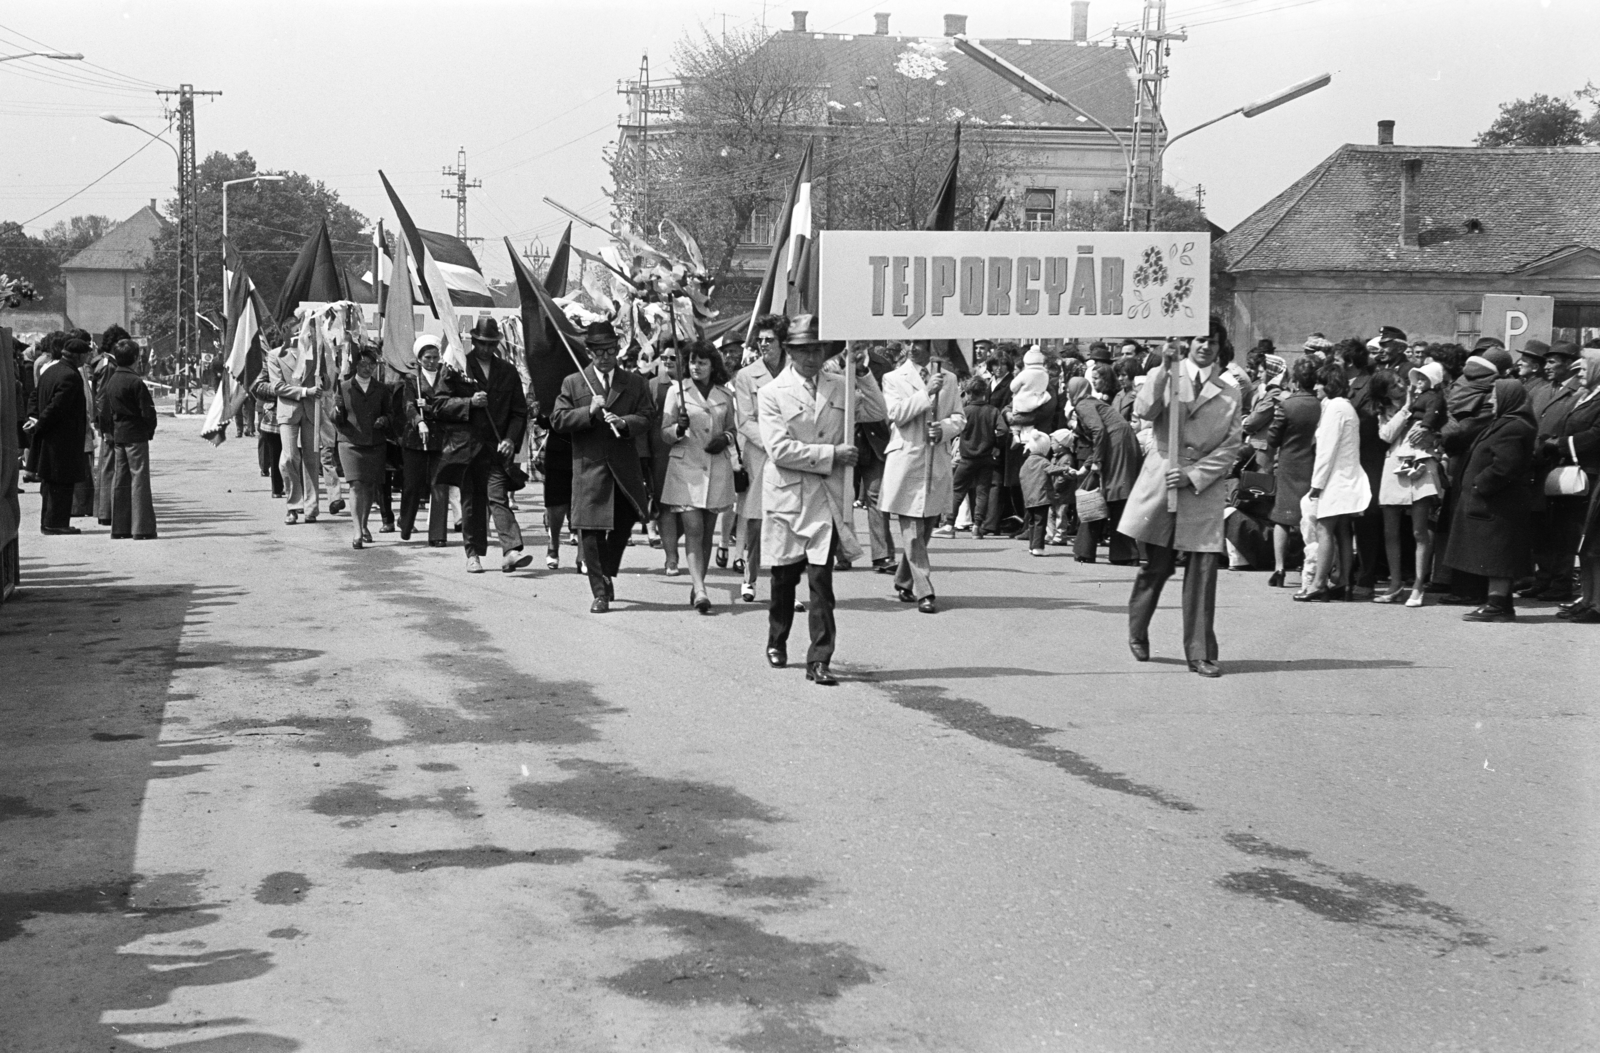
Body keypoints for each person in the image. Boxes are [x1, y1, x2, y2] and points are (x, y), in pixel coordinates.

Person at [757, 316, 881, 685]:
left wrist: (861, 370)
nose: (810, 356)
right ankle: (777, 638)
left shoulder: (840, 385)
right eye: (802, 349)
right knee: (783, 580)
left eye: (816, 349)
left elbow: (876, 411)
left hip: (826, 500)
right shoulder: (772, 393)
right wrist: (831, 455)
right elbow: (779, 449)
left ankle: (820, 658)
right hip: (787, 498)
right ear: (790, 352)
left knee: (821, 582)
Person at [1118, 332, 1244, 678]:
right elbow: (1143, 410)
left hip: (1202, 487)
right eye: (1200, 340)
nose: (1206, 347)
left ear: (1221, 350)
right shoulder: (1168, 376)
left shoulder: (1231, 393)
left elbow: (1231, 448)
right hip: (1162, 480)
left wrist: (1194, 475)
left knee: (1203, 572)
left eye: (1214, 343)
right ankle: (1137, 627)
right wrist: (1163, 366)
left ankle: (1200, 652)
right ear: (1188, 343)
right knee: (1156, 566)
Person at [551, 321, 653, 613]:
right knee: (591, 533)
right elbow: (558, 419)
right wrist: (589, 411)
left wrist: (625, 423)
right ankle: (599, 592)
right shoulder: (574, 382)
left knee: (624, 523)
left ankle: (606, 571)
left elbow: (647, 416)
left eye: (610, 350)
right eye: (598, 352)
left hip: (624, 468)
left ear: (618, 349)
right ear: (589, 352)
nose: (605, 357)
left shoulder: (635, 383)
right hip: (590, 467)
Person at [431, 318, 531, 574]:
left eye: (491, 343)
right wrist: (469, 402)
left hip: (496, 449)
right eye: (481, 343)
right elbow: (439, 405)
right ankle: (473, 554)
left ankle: (511, 551)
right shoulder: (456, 368)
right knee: (472, 503)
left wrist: (510, 439)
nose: (486, 348)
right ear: (473, 341)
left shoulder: (507, 372)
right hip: (467, 449)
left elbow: (519, 412)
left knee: (498, 498)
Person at [1442, 379, 1539, 622]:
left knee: (1497, 555)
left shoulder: (1514, 427)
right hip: (1491, 503)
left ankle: (1496, 604)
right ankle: (1501, 604)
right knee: (1492, 553)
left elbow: (1506, 466)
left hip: (1499, 503)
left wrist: (1479, 484)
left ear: (1508, 398)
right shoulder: (1504, 424)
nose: (1490, 400)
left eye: (1495, 395)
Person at [880, 341, 965, 614]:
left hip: (935, 461)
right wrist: (926, 393)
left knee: (926, 525)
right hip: (906, 459)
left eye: (920, 342)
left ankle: (904, 579)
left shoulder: (949, 378)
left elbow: (960, 417)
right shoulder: (893, 378)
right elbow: (896, 414)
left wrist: (943, 429)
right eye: (909, 342)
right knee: (913, 529)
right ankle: (924, 590)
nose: (913, 347)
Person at [660, 340, 738, 613]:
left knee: (706, 533)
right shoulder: (676, 392)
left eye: (702, 362)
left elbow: (732, 430)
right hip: (686, 469)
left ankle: (698, 584)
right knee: (693, 528)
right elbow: (665, 432)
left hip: (716, 468)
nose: (695, 367)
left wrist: (725, 439)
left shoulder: (725, 395)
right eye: (692, 362)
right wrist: (678, 429)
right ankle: (702, 590)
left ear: (712, 365)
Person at [1296, 364, 1371, 602]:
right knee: (1342, 530)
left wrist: (1316, 485)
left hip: (1335, 479)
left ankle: (1319, 584)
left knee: (1324, 528)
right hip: (1347, 476)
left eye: (1320, 383)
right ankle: (1345, 582)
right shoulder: (1345, 407)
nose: (1316, 387)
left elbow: (1326, 451)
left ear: (1329, 384)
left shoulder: (1335, 408)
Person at [1375, 361, 1447, 606]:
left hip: (1419, 466)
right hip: (1394, 469)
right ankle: (1395, 583)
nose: (1401, 386)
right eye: (1394, 385)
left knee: (1419, 529)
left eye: (1401, 381)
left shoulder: (1429, 400)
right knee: (1390, 530)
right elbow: (1386, 435)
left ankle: (1418, 584)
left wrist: (1433, 435)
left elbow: (1443, 424)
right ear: (1385, 392)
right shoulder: (1386, 410)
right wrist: (1405, 407)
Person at [733, 315, 787, 601]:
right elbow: (745, 420)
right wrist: (774, 444)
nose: (764, 345)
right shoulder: (746, 376)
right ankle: (749, 578)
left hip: (793, 453)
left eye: (770, 340)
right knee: (755, 519)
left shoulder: (797, 371)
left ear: (782, 343)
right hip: (760, 454)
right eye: (761, 340)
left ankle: (786, 585)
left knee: (787, 520)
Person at [1068, 373, 1142, 565]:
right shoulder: (1093, 402)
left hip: (1114, 445)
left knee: (1102, 494)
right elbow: (1100, 434)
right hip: (1123, 442)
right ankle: (1124, 553)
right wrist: (1088, 465)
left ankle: (1086, 550)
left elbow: (1098, 431)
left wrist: (1096, 462)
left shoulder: (1082, 405)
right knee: (1116, 494)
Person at [1548, 351, 1600, 622]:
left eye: (1584, 369)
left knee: (1593, 544)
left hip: (1593, 477)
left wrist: (1562, 444)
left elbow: (1595, 435)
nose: (1578, 373)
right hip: (1582, 476)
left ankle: (1597, 603)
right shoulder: (1587, 395)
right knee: (1584, 546)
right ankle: (1588, 598)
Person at [24, 336, 92, 534]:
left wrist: (34, 418)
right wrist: (40, 423)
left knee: (50, 483)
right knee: (61, 484)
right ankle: (57, 524)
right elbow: (57, 406)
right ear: (78, 356)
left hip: (50, 438)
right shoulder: (70, 376)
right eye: (85, 355)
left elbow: (35, 396)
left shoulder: (51, 370)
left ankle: (48, 522)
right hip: (63, 439)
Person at [95, 338, 158, 539]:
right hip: (136, 434)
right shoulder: (136, 381)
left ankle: (120, 527)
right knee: (139, 479)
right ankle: (142, 528)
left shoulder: (112, 380)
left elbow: (104, 410)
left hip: (118, 435)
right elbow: (147, 412)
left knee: (120, 480)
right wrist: (149, 430)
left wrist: (108, 431)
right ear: (135, 358)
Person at [333, 347, 393, 550]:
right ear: (355, 365)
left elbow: (390, 414)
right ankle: (357, 530)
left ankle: (365, 524)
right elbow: (336, 420)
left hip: (375, 443)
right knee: (355, 484)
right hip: (350, 441)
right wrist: (337, 408)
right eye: (363, 364)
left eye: (371, 364)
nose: (367, 368)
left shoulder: (382, 389)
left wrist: (384, 420)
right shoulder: (343, 387)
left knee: (369, 486)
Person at [261, 334, 323, 525]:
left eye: (302, 330)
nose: (299, 335)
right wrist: (305, 392)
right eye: (295, 331)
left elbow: (326, 382)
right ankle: (293, 505)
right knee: (288, 457)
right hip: (288, 411)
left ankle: (311, 508)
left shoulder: (315, 354)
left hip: (312, 411)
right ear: (287, 333)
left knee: (312, 459)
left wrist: (325, 379)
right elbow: (278, 386)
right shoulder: (275, 355)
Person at [396, 336, 450, 546]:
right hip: (415, 439)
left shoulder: (446, 377)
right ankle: (407, 523)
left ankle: (437, 534)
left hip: (440, 438)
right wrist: (419, 421)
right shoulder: (412, 380)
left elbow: (449, 403)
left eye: (435, 357)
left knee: (439, 485)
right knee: (412, 485)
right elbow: (408, 406)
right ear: (419, 358)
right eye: (427, 357)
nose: (431, 361)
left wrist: (428, 406)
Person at [645, 343, 684, 575]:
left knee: (690, 510)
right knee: (665, 506)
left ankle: (675, 543)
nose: (667, 360)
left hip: (691, 454)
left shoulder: (694, 386)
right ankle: (671, 557)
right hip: (661, 456)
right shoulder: (652, 385)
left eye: (673, 357)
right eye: (663, 357)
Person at [950, 374, 1003, 539]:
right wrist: (996, 445)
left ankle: (949, 523)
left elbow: (954, 429)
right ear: (984, 393)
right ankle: (978, 526)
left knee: (957, 490)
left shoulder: (965, 412)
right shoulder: (993, 411)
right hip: (986, 457)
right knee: (983, 492)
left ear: (968, 394)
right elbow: (1003, 430)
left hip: (966, 457)